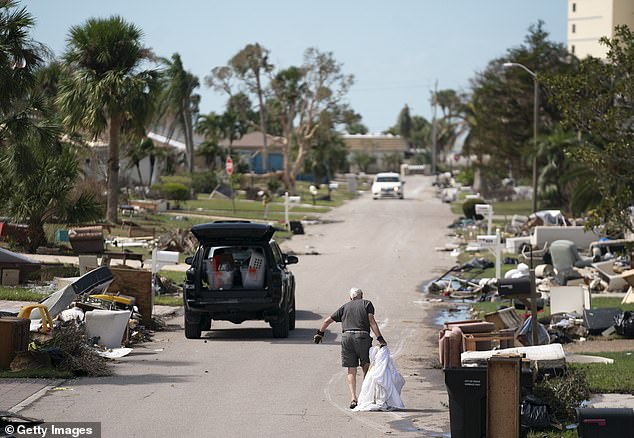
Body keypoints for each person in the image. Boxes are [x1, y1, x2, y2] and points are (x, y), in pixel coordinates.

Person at [313, 287, 387, 409]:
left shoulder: (345, 307)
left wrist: (320, 333)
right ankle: (366, 397)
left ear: (350, 297)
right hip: (362, 337)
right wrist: (380, 338)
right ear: (362, 295)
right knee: (366, 367)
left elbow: (327, 321)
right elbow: (372, 321)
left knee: (351, 369)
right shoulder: (367, 304)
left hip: (347, 338)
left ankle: (353, 398)